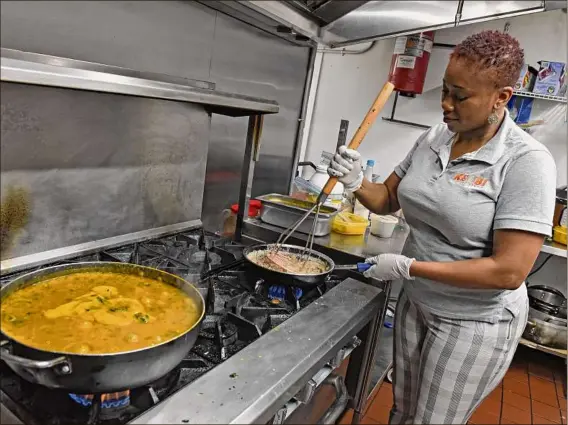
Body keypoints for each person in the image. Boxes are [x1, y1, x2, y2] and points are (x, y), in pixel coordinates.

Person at [328, 30, 556, 424]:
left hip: (473, 320)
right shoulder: (435, 138)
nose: (446, 106)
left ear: (501, 97)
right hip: (417, 304)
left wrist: (407, 267)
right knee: (402, 411)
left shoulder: (526, 162)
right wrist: (354, 182)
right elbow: (387, 199)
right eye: (445, 91)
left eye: (460, 96)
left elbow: (509, 270)